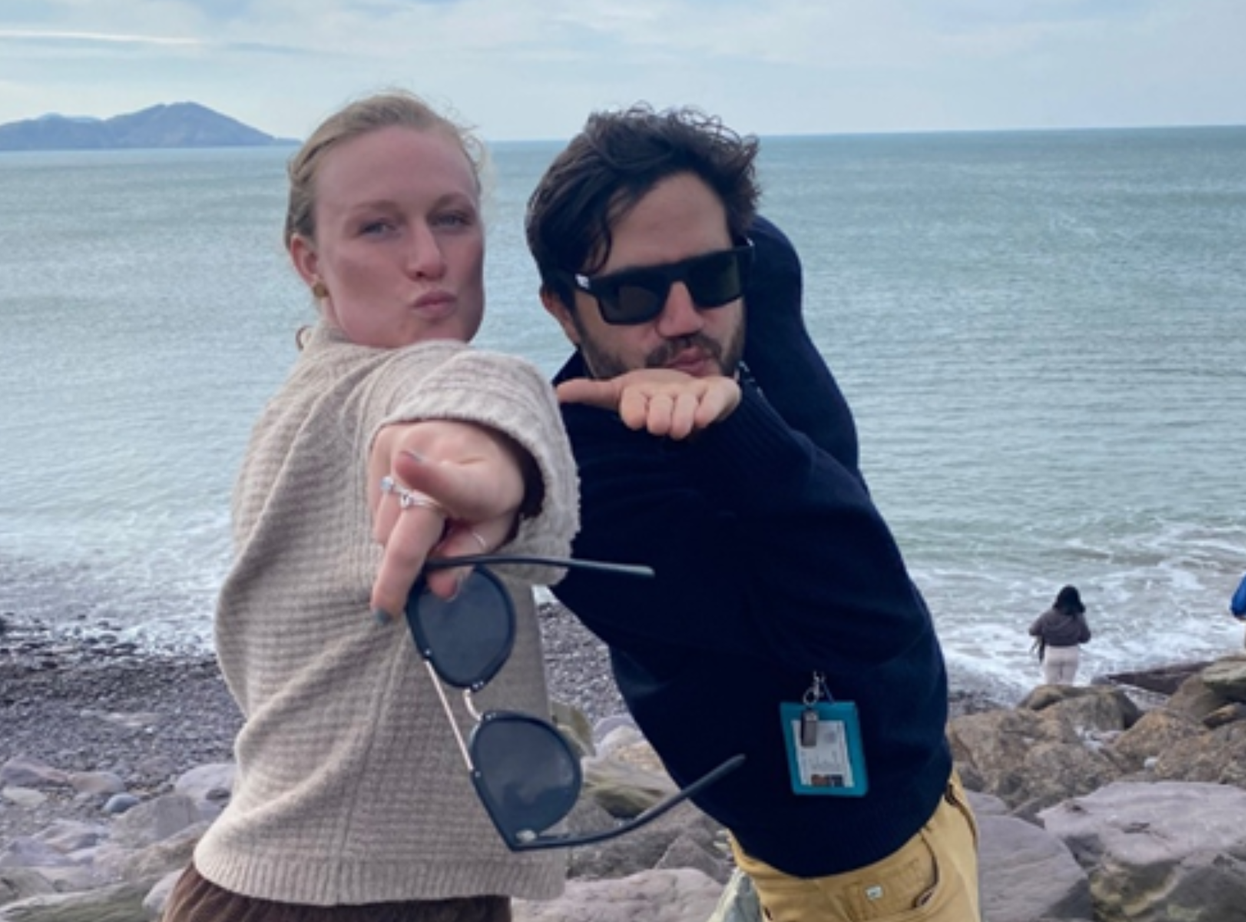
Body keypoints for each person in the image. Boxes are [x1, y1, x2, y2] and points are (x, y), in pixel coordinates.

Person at [524, 105, 981, 922]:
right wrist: (732, 431)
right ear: (562, 307)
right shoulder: (584, 492)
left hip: (932, 791)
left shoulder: (756, 279)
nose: (683, 319)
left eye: (710, 275)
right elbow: (870, 616)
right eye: (631, 293)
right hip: (847, 876)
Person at [161, 91, 579, 922]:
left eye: (452, 219)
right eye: (378, 227)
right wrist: (483, 461)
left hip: (284, 879)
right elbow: (468, 395)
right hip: (345, 899)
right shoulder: (392, 389)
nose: (428, 258)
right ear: (309, 261)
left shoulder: (304, 400)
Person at [1028, 585, 1092, 685]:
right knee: (1067, 686)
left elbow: (1032, 631)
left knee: (1050, 686)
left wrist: (1046, 634)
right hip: (1071, 652)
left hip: (1052, 652)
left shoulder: (1047, 615)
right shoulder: (1078, 617)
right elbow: (1086, 638)